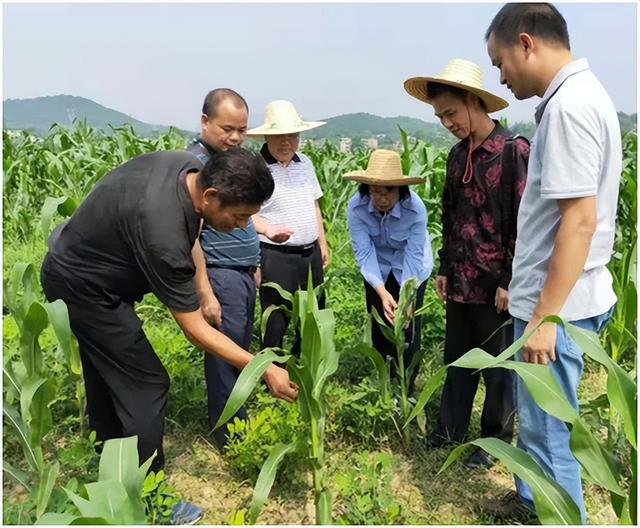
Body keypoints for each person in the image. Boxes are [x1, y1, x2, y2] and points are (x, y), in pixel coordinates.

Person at [41, 148, 299, 523]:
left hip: (77, 267)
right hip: (85, 289)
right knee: (147, 384)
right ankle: (151, 499)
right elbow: (195, 329)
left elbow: (186, 230)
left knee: (109, 372)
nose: (244, 225)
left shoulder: (187, 168)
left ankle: (109, 464)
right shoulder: (162, 233)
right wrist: (262, 367)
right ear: (210, 197)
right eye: (240, 215)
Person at [484, 3, 621, 522]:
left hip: (556, 306)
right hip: (558, 299)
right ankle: (528, 503)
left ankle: (559, 517)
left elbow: (579, 222)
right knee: (540, 426)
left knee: (548, 432)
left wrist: (543, 318)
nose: (501, 75)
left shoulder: (569, 108)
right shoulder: (582, 98)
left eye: (500, 62)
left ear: (526, 43)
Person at [404, 58, 529, 469]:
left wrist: (510, 280)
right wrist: (443, 266)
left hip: (497, 286)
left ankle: (492, 443)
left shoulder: (512, 152)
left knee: (497, 369)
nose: (446, 123)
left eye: (451, 113)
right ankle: (449, 431)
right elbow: (450, 214)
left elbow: (522, 222)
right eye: (440, 117)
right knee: (457, 360)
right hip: (460, 279)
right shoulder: (458, 156)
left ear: (475, 102)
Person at [187, 88, 292, 448]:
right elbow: (190, 237)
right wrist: (205, 291)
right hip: (219, 276)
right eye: (226, 128)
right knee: (224, 354)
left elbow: (245, 219)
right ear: (205, 122)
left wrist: (255, 259)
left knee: (238, 349)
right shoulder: (197, 168)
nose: (234, 137)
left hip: (242, 273)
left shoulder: (231, 166)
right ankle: (230, 434)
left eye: (241, 130)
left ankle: (236, 421)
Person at [344, 149, 433, 387]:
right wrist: (382, 292)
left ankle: (407, 384)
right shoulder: (356, 209)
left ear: (401, 190)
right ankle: (384, 379)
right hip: (378, 268)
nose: (381, 198)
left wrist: (408, 297)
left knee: (409, 325)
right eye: (375, 192)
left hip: (410, 267)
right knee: (380, 322)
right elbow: (364, 252)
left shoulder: (416, 209)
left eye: (388, 191)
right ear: (367, 189)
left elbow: (414, 255)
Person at [247, 100, 330, 354]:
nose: (286, 142)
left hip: (309, 253)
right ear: (266, 136)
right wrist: (256, 261)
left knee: (312, 311)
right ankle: (271, 369)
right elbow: (245, 215)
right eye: (279, 136)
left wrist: (322, 244)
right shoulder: (256, 169)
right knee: (275, 318)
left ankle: (303, 363)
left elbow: (314, 205)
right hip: (274, 255)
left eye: (292, 136)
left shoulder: (305, 163)